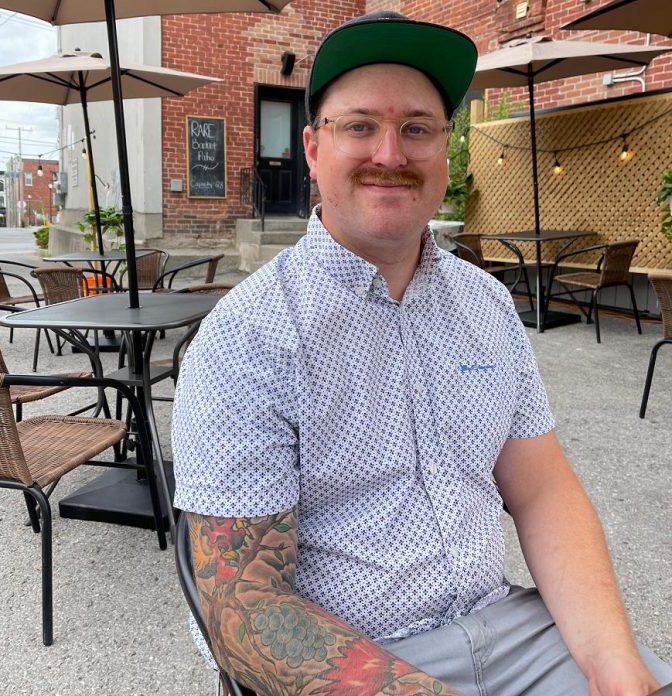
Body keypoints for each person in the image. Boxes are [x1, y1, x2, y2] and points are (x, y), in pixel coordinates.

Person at [172, 11, 671, 695]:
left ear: (444, 150)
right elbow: (245, 610)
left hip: (512, 631)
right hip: (350, 659)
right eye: (359, 126)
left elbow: (543, 490)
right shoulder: (248, 337)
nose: (390, 153)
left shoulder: (488, 306)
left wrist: (617, 668)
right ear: (313, 150)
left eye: (416, 128)